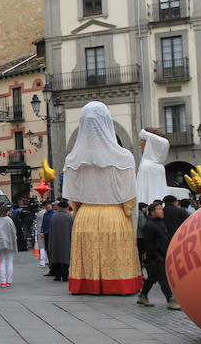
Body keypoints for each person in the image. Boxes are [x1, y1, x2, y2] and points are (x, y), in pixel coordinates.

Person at [64, 102, 143, 295]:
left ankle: (87, 284)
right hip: (114, 216)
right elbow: (129, 199)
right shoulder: (124, 157)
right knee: (114, 258)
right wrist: (126, 212)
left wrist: (80, 210)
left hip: (85, 218)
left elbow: (73, 199)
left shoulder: (73, 159)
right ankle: (118, 284)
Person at [136, 202, 181, 309]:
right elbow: (148, 243)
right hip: (155, 256)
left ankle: (143, 296)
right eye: (159, 209)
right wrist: (156, 256)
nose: (162, 211)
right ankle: (170, 299)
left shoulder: (160, 222)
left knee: (152, 277)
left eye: (161, 209)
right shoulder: (149, 225)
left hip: (162, 254)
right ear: (152, 212)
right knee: (162, 278)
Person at [135, 128, 170, 206]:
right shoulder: (160, 167)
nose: (140, 144)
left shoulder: (146, 166)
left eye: (142, 140)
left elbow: (142, 193)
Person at [48, 199, 74, 281]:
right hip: (67, 240)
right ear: (67, 207)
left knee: (57, 256)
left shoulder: (54, 216)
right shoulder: (70, 217)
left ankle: (58, 275)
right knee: (66, 258)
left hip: (56, 240)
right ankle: (65, 275)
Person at [35, 200, 51, 267]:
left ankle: (42, 261)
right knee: (47, 246)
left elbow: (38, 222)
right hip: (47, 231)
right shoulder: (49, 213)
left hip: (40, 230)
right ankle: (47, 260)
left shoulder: (40, 213)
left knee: (42, 247)